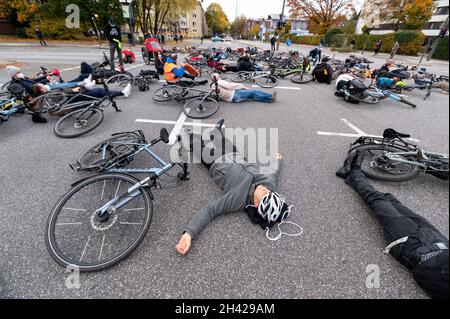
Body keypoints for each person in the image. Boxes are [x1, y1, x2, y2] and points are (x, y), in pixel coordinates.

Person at [336, 150, 449, 299]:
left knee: (375, 200)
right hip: (440, 242)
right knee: (391, 200)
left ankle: (353, 172)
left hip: (413, 247)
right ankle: (357, 177)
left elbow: (422, 274)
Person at [175, 122, 290, 256]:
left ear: (257, 204)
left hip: (215, 162)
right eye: (270, 192)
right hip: (235, 155)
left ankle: (186, 135)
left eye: (264, 194)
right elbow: (273, 172)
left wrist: (188, 233)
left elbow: (210, 211)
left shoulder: (238, 200)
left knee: (196, 144)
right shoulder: (267, 184)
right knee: (220, 138)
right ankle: (215, 130)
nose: (265, 189)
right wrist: (277, 160)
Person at [212, 73, 277, 103]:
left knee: (251, 96)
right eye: (218, 75)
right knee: (253, 92)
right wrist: (242, 86)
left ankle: (269, 100)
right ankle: (270, 96)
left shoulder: (213, 85)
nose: (219, 76)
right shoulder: (219, 81)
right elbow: (230, 86)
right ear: (216, 77)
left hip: (229, 98)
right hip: (233, 95)